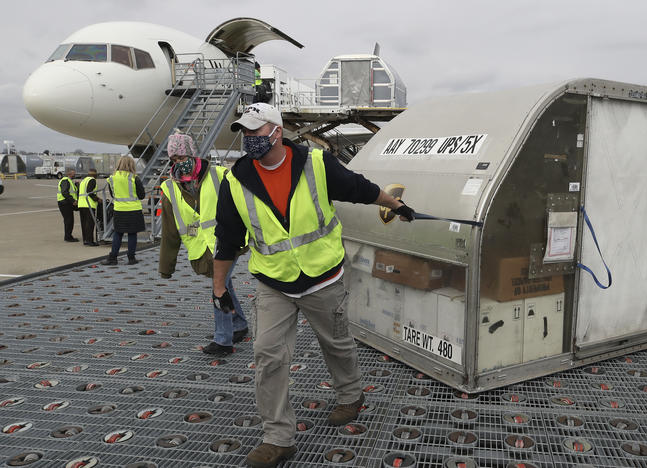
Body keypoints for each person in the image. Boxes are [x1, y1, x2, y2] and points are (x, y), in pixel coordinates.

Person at [212, 103, 415, 468]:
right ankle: (278, 437)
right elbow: (227, 238)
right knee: (268, 354)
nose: (249, 139)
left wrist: (394, 204)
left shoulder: (316, 164)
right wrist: (218, 287)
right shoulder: (235, 180)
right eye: (245, 132)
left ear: (276, 131)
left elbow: (360, 189)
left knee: (335, 342)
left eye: (255, 131)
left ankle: (350, 396)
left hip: (324, 277)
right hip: (273, 282)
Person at [159, 130, 249, 354]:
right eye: (174, 160)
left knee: (218, 288)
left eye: (181, 158)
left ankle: (223, 340)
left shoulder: (220, 175)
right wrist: (166, 267)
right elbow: (170, 231)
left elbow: (243, 207)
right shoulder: (169, 188)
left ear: (192, 155)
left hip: (228, 243)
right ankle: (239, 324)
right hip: (202, 249)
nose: (179, 163)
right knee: (224, 285)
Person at [102, 156, 145, 265]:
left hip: (119, 209)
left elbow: (112, 195)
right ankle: (131, 258)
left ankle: (113, 258)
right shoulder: (134, 178)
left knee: (118, 233)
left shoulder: (112, 178)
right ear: (131, 165)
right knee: (132, 234)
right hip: (134, 210)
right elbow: (141, 195)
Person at [78, 168, 101, 246]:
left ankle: (85, 240)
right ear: (95, 174)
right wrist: (97, 199)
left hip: (81, 204)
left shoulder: (83, 181)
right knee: (90, 223)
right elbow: (89, 191)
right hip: (89, 204)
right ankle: (89, 240)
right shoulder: (92, 180)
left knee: (84, 223)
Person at [57, 169, 79, 242]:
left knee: (69, 220)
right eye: (73, 173)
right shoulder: (65, 181)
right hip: (64, 203)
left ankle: (68, 236)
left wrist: (77, 185)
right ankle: (68, 237)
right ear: (69, 174)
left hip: (67, 203)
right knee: (68, 220)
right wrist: (73, 201)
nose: (74, 175)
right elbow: (65, 192)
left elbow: (73, 192)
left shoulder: (69, 181)